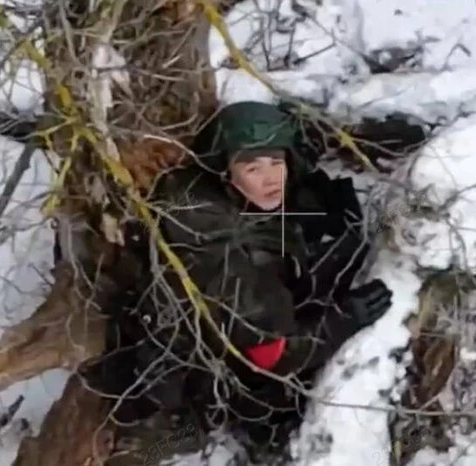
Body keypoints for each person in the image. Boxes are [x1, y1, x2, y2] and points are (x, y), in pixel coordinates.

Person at [87, 101, 393, 459]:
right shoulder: (235, 261)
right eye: (252, 167)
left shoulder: (187, 190)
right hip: (185, 388)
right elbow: (271, 358)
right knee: (269, 408)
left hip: (166, 336)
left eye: (277, 163)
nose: (270, 178)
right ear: (225, 170)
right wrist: (343, 320)